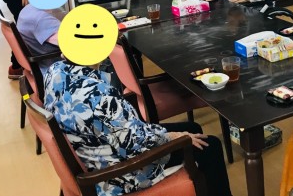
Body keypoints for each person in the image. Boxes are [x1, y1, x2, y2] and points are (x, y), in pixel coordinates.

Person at [44, 60, 232, 196]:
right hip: (117, 174)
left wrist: (176, 134)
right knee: (211, 145)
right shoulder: (99, 94)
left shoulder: (55, 70)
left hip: (92, 149)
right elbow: (134, 142)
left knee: (192, 128)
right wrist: (173, 136)